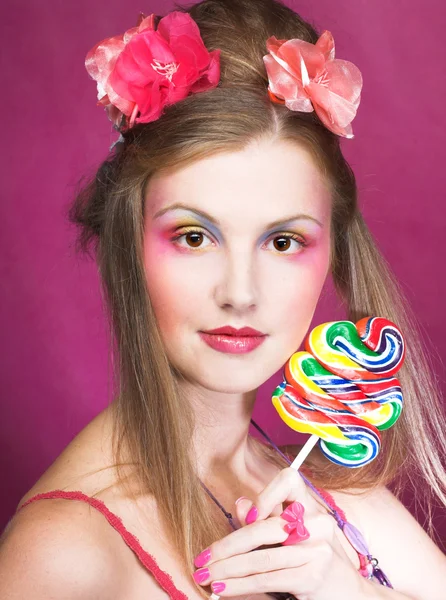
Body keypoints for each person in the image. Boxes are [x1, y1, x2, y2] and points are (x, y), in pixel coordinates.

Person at [1, 0, 445, 598]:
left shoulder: (338, 501)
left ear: (332, 252)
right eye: (194, 236)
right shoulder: (62, 556)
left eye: (283, 241)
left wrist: (351, 591)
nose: (240, 293)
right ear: (130, 243)